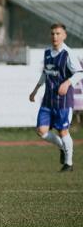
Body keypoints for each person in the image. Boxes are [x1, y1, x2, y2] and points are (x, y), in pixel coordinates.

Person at [30, 23, 83, 171]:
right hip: (48, 100)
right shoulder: (47, 52)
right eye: (53, 33)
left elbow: (80, 73)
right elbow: (45, 73)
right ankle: (62, 147)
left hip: (63, 102)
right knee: (41, 131)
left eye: (58, 33)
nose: (55, 36)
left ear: (64, 36)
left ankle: (69, 164)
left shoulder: (68, 53)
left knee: (63, 131)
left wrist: (67, 82)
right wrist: (35, 90)